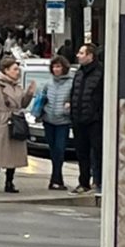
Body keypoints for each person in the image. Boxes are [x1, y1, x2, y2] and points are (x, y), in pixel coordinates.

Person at [0, 57, 36, 194]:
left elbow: (22, 104)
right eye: (14, 69)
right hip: (3, 123)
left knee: (13, 155)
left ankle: (9, 182)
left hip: (15, 121)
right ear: (6, 70)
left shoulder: (17, 86)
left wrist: (29, 93)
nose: (17, 72)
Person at [69, 43, 104, 195]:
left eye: (82, 53)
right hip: (78, 119)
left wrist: (97, 114)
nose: (78, 55)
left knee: (97, 152)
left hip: (94, 120)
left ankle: (99, 182)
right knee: (81, 153)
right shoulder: (79, 73)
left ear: (90, 56)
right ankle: (84, 182)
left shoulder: (101, 72)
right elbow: (74, 93)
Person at [40, 56, 73, 190]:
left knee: (60, 149)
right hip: (48, 120)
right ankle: (55, 179)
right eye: (54, 67)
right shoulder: (48, 83)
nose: (56, 69)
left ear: (64, 67)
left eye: (58, 66)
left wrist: (69, 106)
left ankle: (57, 178)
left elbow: (74, 99)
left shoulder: (71, 83)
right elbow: (42, 99)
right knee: (53, 150)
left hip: (63, 121)